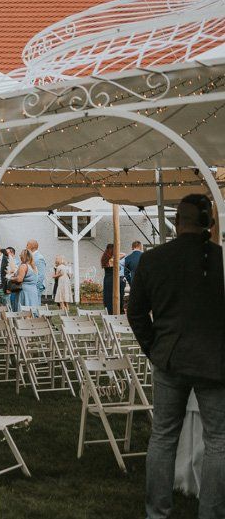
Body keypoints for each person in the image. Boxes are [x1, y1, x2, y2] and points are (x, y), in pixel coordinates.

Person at [128, 193, 225, 519]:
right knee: (219, 441)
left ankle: (157, 513)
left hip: (169, 357)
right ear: (210, 224)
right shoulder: (221, 260)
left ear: (176, 221)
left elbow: (135, 312)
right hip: (215, 360)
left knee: (163, 437)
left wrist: (153, 348)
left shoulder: (154, 259)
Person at [100, 243, 122, 315]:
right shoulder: (112, 259)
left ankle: (109, 311)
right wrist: (116, 253)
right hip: (113, 279)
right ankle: (112, 312)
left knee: (108, 296)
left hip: (107, 279)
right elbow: (124, 254)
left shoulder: (105, 258)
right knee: (112, 296)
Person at [5, 246, 20, 312]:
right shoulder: (6, 261)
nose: (6, 254)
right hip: (7, 285)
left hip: (13, 285)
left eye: (7, 253)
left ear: (12, 253)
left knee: (13, 302)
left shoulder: (16, 262)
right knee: (7, 303)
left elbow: (14, 272)